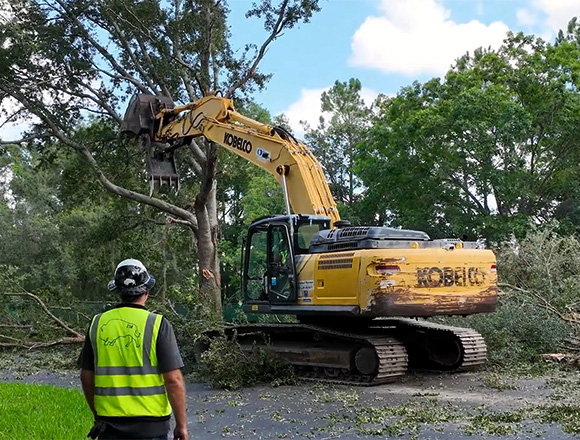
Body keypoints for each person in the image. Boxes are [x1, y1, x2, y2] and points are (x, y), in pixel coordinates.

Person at [80, 259, 188, 440]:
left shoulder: (97, 323)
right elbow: (174, 380)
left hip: (110, 426)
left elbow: (86, 376)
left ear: (118, 291)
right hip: (151, 427)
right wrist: (182, 425)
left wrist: (97, 413)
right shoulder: (158, 324)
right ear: (146, 291)